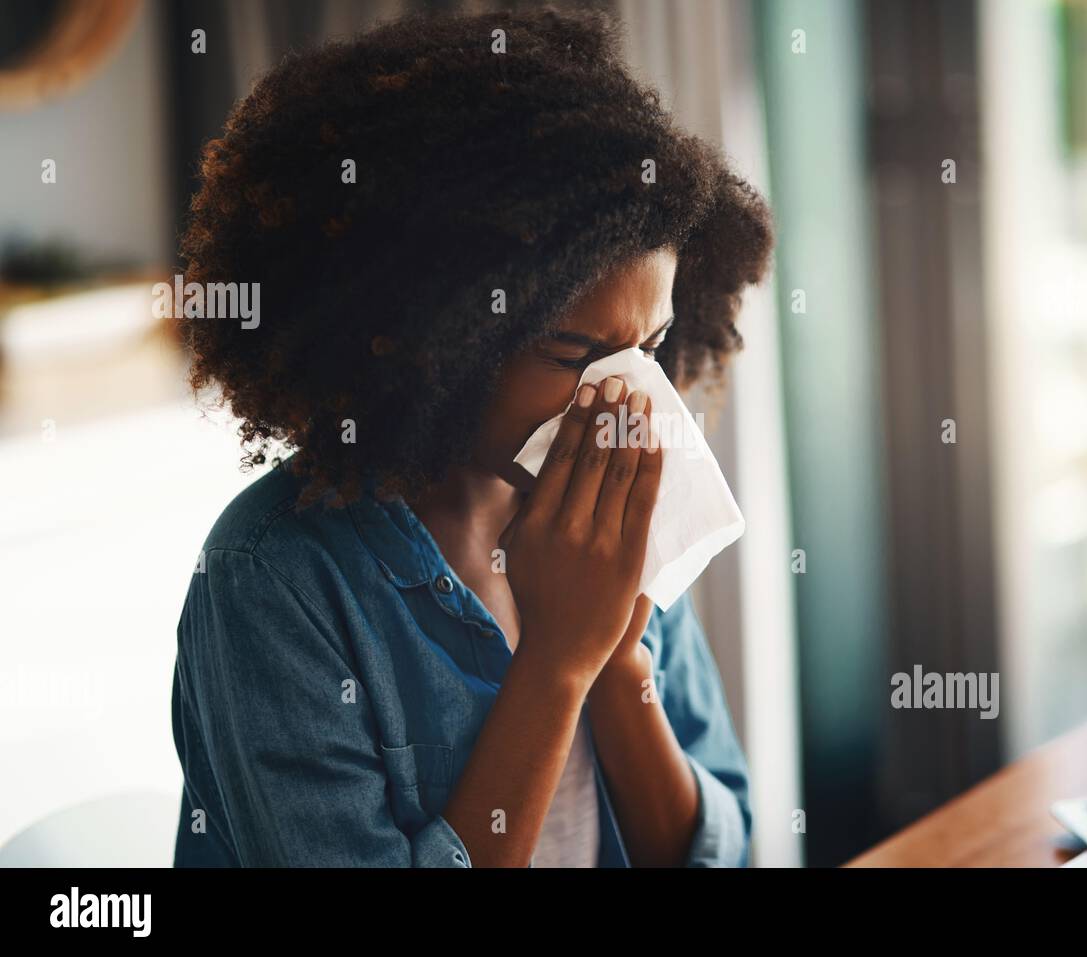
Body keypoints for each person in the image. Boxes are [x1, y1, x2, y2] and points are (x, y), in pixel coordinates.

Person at [170, 6, 774, 867]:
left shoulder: (610, 506)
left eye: (648, 347)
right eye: (575, 353)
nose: (629, 399)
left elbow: (723, 850)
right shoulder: (275, 579)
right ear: (438, 340)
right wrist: (559, 658)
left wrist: (617, 661)